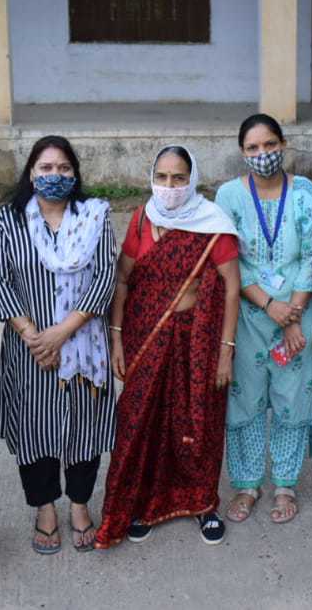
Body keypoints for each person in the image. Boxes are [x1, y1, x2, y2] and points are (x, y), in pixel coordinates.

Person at [94, 145, 242, 548]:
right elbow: (123, 280)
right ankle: (143, 503)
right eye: (162, 177)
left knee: (197, 421)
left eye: (178, 178)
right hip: (146, 336)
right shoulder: (142, 220)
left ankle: (202, 503)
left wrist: (226, 349)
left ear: (192, 180)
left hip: (199, 342)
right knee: (143, 420)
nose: (169, 186)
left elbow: (231, 288)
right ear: (152, 178)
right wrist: (118, 336)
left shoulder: (213, 223)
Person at [0, 136, 117, 554]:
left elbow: (105, 276)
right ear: (31, 173)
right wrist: (32, 335)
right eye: (46, 168)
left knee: (84, 428)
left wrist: (62, 332)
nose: (54, 176)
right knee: (36, 428)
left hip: (84, 344)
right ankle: (44, 507)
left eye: (63, 168)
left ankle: (79, 505)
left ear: (75, 173)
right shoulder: (10, 219)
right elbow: (0, 279)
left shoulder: (95, 215)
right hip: (29, 349)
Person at [215, 114, 312, 524]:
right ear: (242, 152)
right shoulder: (227, 196)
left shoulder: (309, 195)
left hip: (298, 315)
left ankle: (284, 484)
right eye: (252, 148)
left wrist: (292, 314)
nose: (262, 155)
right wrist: (269, 306)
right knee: (243, 400)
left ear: (284, 144)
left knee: (291, 397)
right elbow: (228, 260)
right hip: (246, 313)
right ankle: (246, 484)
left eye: (269, 145)